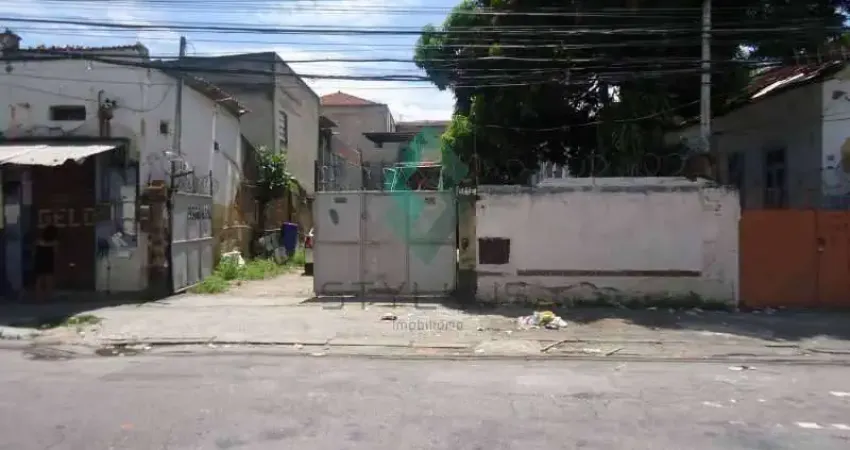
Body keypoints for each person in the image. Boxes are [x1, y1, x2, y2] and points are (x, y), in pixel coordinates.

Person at [34, 225, 58, 301]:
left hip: (39, 260)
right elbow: (56, 252)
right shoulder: (54, 243)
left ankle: (39, 297)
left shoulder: (38, 241)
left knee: (39, 279)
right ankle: (48, 297)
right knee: (49, 279)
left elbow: (34, 251)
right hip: (49, 261)